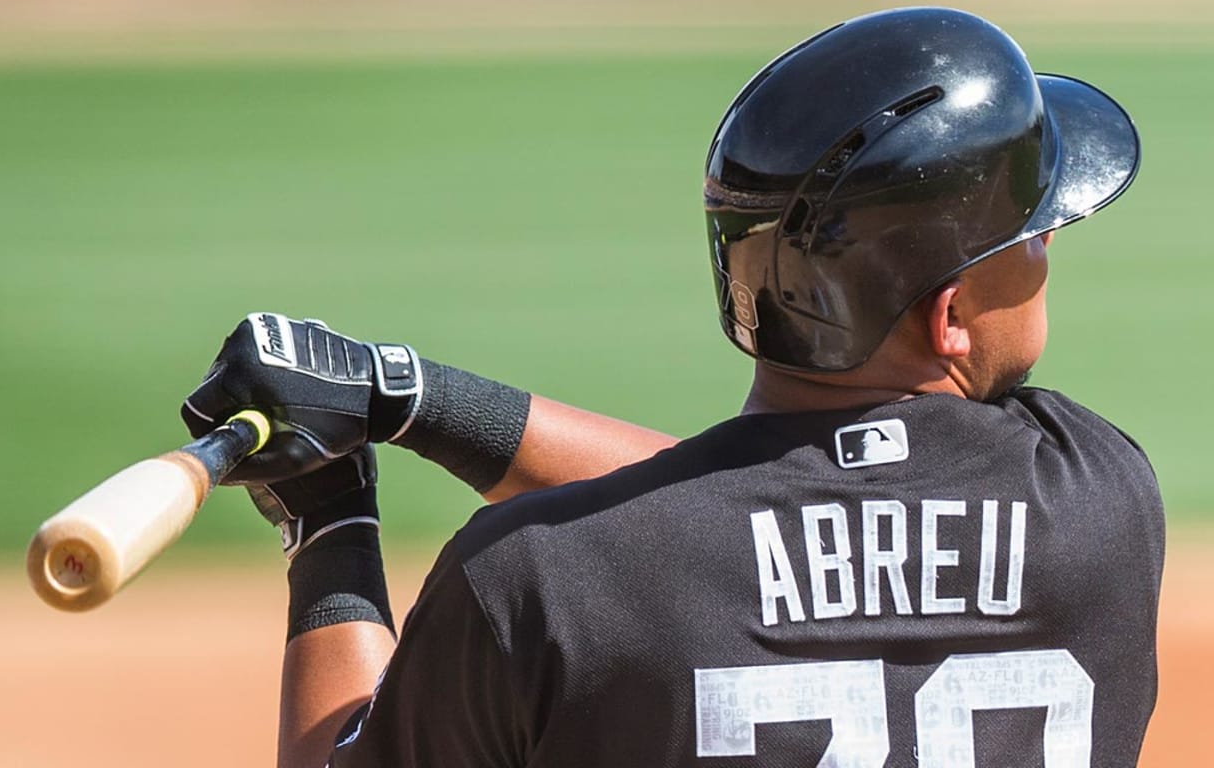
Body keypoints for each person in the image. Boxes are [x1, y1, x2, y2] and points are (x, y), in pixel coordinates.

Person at [181, 8, 1161, 767]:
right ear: (947, 317)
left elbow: (699, 524)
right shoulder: (1101, 505)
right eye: (1031, 237)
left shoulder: (539, 587)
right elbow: (745, 512)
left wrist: (330, 526)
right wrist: (414, 399)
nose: (1047, 252)